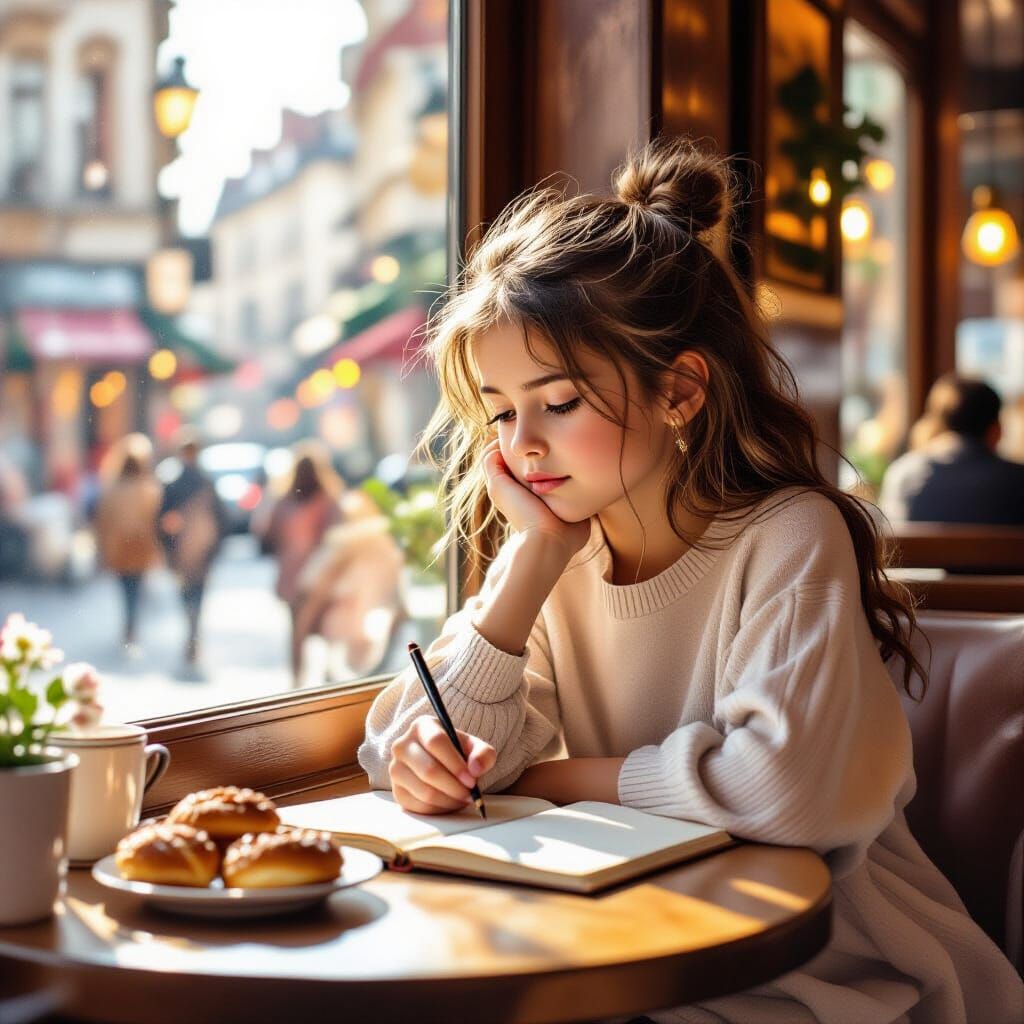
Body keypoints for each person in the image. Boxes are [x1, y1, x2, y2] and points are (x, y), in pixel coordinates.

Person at [356, 137, 1022, 1023]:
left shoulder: (789, 534)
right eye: (502, 410)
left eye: (557, 403)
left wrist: (545, 781)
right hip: (641, 936)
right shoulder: (557, 553)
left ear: (680, 391)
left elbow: (779, 791)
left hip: (826, 963)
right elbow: (394, 747)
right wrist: (530, 566)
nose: (520, 445)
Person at [879, 373, 1024, 524]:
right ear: (996, 430)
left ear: (934, 425)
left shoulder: (903, 474)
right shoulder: (1018, 482)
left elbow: (891, 538)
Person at [261, 441, 344, 681]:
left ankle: (297, 677)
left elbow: (267, 532)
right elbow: (337, 534)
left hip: (292, 574)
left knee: (296, 629)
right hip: (321, 573)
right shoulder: (328, 499)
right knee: (325, 624)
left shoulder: (283, 500)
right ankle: (327, 674)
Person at [159, 432, 227, 665]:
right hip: (204, 548)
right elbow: (221, 519)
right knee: (199, 593)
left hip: (181, 549)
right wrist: (216, 547)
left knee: (186, 592)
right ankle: (194, 631)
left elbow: (161, 521)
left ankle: (191, 630)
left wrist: (168, 550)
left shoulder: (173, 484)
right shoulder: (207, 482)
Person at [94, 434, 162, 650]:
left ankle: (129, 624)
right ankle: (131, 625)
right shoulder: (149, 489)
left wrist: (102, 548)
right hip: (140, 548)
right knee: (136, 587)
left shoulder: (113, 490)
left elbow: (103, 521)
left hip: (120, 548)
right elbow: (154, 521)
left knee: (126, 589)